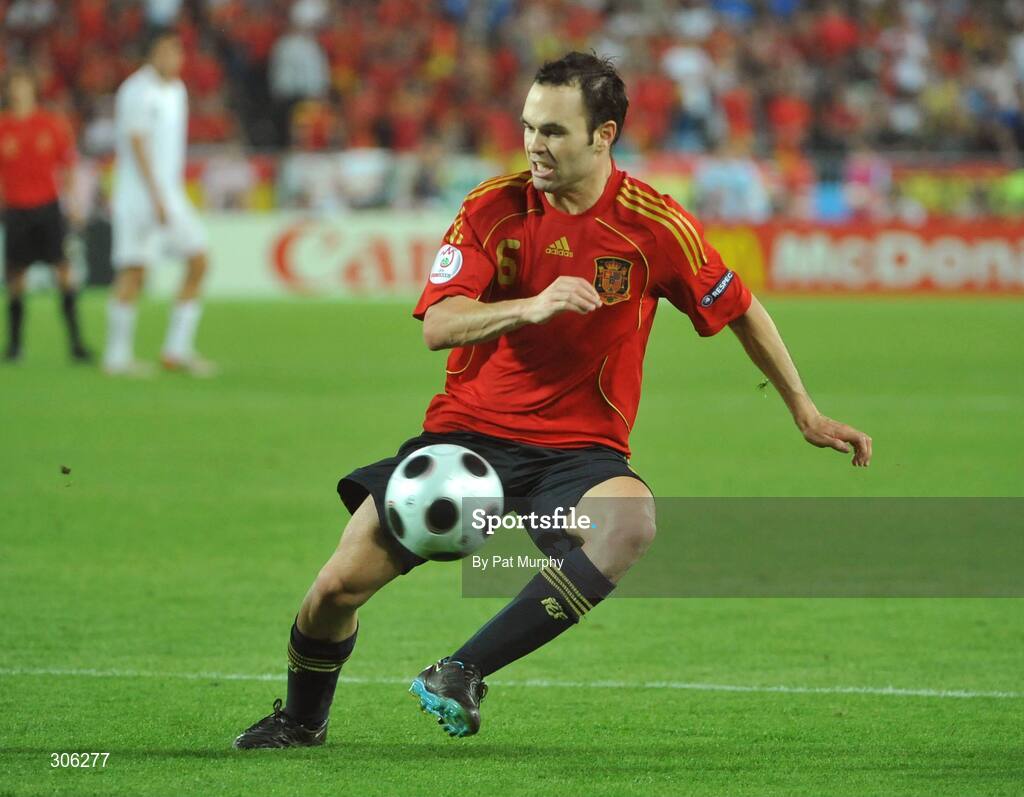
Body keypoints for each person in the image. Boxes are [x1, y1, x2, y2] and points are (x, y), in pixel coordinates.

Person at [233, 52, 872, 748]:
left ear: (604, 134)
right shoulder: (492, 206)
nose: (535, 144)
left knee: (629, 524)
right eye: (529, 127)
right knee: (335, 588)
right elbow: (440, 325)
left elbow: (741, 307)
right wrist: (530, 307)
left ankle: (462, 669)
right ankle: (300, 721)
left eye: (555, 131)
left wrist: (803, 408)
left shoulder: (654, 225)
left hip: (578, 452)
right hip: (465, 439)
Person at [104, 28, 215, 377]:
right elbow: (137, 145)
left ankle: (176, 350)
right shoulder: (136, 91)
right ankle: (117, 356)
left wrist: (168, 195)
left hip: (171, 194)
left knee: (199, 260)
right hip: (141, 197)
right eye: (167, 52)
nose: (174, 59)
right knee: (134, 271)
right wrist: (156, 197)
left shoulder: (177, 89)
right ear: (151, 55)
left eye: (178, 52)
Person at [0, 67, 90, 362]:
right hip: (16, 209)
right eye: (15, 85)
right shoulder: (3, 127)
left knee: (64, 272)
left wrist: (73, 201)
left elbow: (68, 164)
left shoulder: (50, 124)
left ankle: (76, 344)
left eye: (24, 84)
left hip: (48, 207)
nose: (19, 91)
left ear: (32, 89)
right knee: (16, 276)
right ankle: (14, 346)